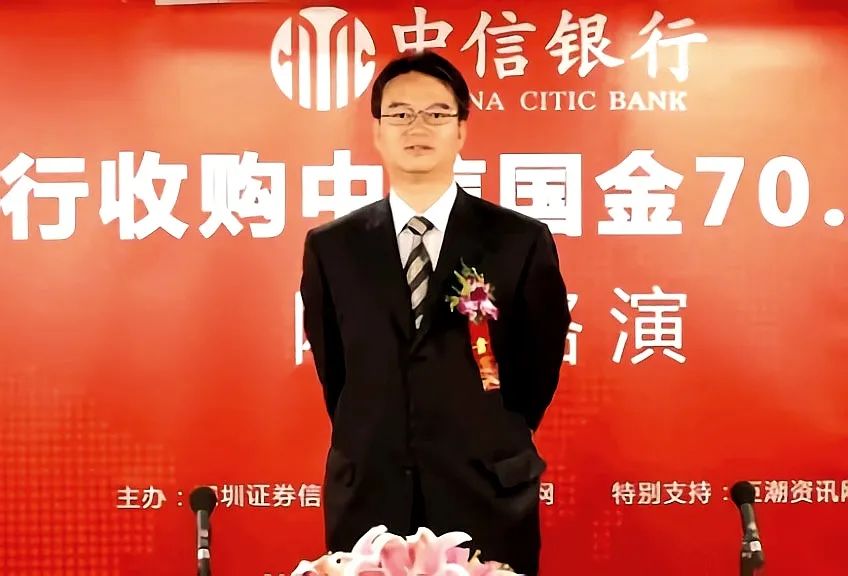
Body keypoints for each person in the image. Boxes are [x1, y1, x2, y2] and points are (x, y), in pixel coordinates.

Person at [300, 50, 570, 576]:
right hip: (370, 499)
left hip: (487, 493)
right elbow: (337, 373)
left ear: (461, 129)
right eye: (400, 113)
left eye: (436, 113)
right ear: (378, 132)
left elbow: (536, 369)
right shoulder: (333, 248)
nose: (417, 126)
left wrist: (486, 428)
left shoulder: (518, 241)